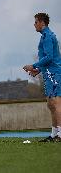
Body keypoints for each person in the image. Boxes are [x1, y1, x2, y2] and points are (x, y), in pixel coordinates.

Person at [23, 13, 61, 142]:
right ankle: (54, 134)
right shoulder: (44, 36)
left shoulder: (48, 36)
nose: (34, 25)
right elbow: (47, 58)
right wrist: (38, 70)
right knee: (50, 104)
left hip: (54, 73)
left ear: (42, 23)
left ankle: (60, 134)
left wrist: (33, 65)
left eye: (35, 22)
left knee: (56, 103)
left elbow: (50, 57)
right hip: (48, 72)